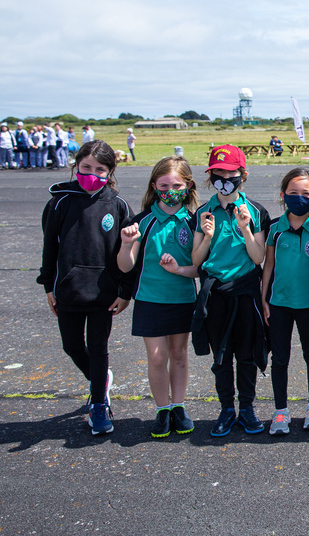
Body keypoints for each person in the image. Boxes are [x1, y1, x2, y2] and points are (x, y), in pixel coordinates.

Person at [37, 141, 133, 435]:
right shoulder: (59, 202)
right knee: (72, 345)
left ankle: (98, 405)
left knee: (99, 346)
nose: (92, 173)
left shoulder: (117, 205)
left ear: (110, 171)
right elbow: (49, 248)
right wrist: (48, 286)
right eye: (86, 167)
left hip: (103, 292)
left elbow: (126, 254)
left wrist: (124, 291)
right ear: (76, 165)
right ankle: (101, 380)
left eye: (100, 169)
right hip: (68, 290)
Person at [190, 145, 271, 437]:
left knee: (247, 355)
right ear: (211, 176)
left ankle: (247, 407)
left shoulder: (255, 211)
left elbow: (258, 257)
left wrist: (246, 228)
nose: (225, 178)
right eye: (218, 173)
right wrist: (207, 236)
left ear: (242, 174)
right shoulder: (203, 211)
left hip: (245, 290)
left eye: (230, 172)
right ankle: (226, 408)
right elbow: (196, 261)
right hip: (215, 293)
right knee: (221, 356)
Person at [117, 156, 200, 438]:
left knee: (178, 355)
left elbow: (200, 268)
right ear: (154, 186)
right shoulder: (143, 221)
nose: (170, 190)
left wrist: (179, 270)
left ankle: (179, 406)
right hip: (150, 299)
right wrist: (127, 244)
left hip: (182, 299)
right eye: (164, 185)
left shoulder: (194, 221)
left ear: (188, 186)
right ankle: (162, 409)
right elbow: (126, 266)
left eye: (177, 184)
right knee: (156, 357)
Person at [262, 168, 309, 435]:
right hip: (279, 303)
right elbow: (268, 265)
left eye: (306, 193)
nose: (299, 198)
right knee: (280, 357)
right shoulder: (274, 228)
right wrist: (264, 299)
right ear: (283, 195)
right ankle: (280, 411)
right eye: (293, 193)